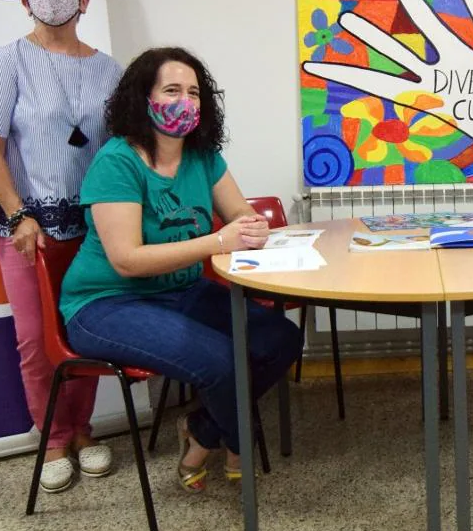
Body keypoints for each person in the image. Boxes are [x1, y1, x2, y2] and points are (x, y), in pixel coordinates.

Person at [59, 47, 302, 492]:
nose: (185, 101)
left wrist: (250, 228)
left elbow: (240, 217)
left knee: (280, 337)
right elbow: (126, 260)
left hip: (181, 292)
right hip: (106, 303)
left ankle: (204, 431)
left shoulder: (203, 156)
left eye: (194, 92)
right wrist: (218, 241)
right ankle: (237, 442)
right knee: (222, 360)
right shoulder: (117, 161)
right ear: (142, 97)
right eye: (172, 90)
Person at [0, 0, 123, 494]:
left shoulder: (110, 70)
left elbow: (121, 150)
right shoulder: (7, 60)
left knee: (84, 332)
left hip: (94, 228)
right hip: (26, 227)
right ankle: (54, 437)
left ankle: (83, 430)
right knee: (36, 339)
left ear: (83, 0)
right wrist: (19, 214)